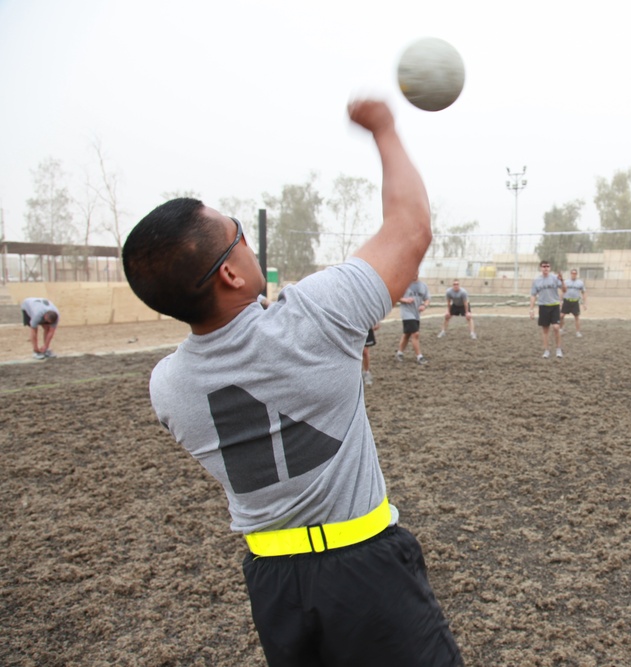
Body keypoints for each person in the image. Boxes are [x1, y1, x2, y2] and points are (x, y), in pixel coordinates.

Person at [121, 100, 463, 666]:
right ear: (230, 273)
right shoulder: (314, 318)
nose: (248, 245)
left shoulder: (167, 387)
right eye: (239, 239)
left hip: (273, 584)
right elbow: (411, 228)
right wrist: (384, 128)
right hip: (365, 568)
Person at [529, 260, 564, 358]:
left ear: (550, 268)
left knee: (556, 327)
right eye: (544, 266)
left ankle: (558, 349)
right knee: (545, 330)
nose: (546, 268)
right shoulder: (536, 280)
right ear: (540, 268)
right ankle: (546, 350)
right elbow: (533, 295)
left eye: (547, 266)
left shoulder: (555, 278)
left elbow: (564, 289)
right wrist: (531, 309)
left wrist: (562, 280)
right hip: (543, 306)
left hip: (554, 305)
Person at [395, 275, 430, 365]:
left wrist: (424, 305)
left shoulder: (423, 285)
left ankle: (399, 353)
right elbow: (395, 296)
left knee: (407, 334)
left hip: (416, 314)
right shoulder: (404, 284)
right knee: (415, 334)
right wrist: (404, 300)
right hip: (407, 313)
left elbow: (427, 299)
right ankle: (419, 357)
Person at [560, 268, 587, 337]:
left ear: (576, 274)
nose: (573, 275)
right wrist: (560, 301)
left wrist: (584, 303)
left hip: (575, 302)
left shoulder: (580, 283)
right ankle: (561, 329)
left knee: (577, 317)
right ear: (570, 274)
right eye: (572, 273)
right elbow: (563, 291)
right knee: (561, 316)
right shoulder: (566, 282)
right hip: (567, 301)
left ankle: (578, 332)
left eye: (575, 273)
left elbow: (583, 292)